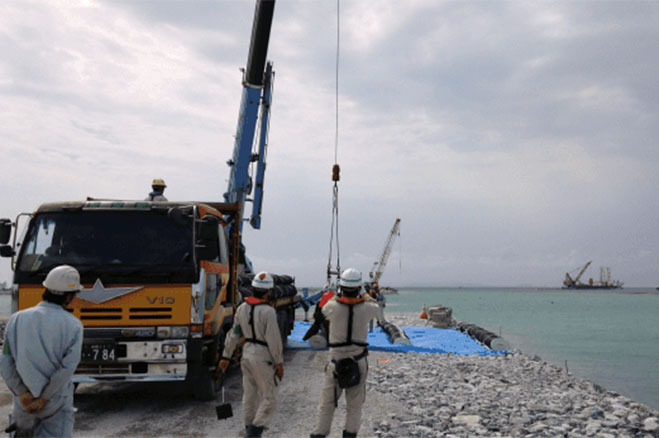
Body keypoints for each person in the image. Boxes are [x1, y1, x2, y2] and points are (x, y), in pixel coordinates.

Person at [0, 265, 84, 437]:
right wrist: (44, 398)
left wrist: (23, 393)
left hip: (24, 402)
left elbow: (6, 361)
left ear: (46, 289)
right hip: (56, 402)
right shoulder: (74, 325)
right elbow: (67, 368)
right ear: (69, 296)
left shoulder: (16, 320)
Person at [310, 268, 379, 438]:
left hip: (336, 361)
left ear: (341, 287)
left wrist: (334, 293)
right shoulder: (368, 308)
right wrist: (365, 293)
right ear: (358, 287)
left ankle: (320, 433)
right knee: (354, 405)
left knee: (327, 403)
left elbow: (322, 313)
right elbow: (375, 305)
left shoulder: (332, 306)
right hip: (358, 361)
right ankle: (350, 434)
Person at [218, 272, 284, 438]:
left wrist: (226, 357)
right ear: (268, 291)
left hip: (246, 353)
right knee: (270, 398)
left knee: (250, 395)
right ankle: (254, 432)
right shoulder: (268, 312)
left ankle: (249, 428)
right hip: (263, 356)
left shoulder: (241, 309)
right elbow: (274, 340)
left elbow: (233, 335)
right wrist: (279, 362)